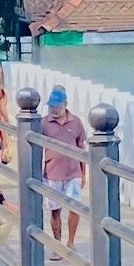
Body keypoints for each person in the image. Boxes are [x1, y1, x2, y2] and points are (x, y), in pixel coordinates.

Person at [39, 85, 86, 244]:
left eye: (57, 106)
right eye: (51, 106)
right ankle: (57, 243)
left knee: (75, 206)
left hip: (73, 172)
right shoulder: (43, 123)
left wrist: (83, 173)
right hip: (52, 173)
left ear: (65, 105)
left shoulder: (76, 122)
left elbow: (81, 147)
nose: (54, 110)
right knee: (55, 210)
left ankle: (71, 241)